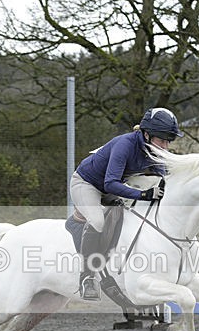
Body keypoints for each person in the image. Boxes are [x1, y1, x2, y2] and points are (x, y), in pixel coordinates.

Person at [69, 107, 184, 300]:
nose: (165, 146)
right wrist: (143, 194)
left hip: (112, 187)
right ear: (146, 134)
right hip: (87, 184)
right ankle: (87, 276)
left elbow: (164, 179)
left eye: (168, 141)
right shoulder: (125, 144)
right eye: (162, 140)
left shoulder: (153, 150)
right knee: (97, 222)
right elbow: (110, 183)